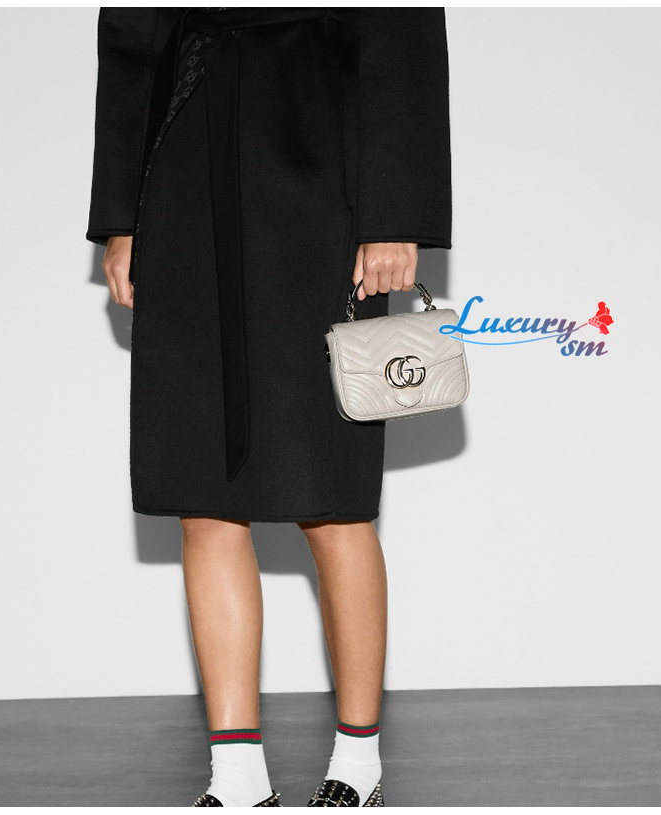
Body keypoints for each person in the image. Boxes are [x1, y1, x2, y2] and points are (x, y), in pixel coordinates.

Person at [86, 7, 452, 807]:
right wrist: (120, 213)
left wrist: (397, 212)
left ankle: (358, 760)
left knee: (332, 497)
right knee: (201, 491)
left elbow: (404, 28)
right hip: (184, 166)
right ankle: (237, 777)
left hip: (323, 159)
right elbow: (133, 33)